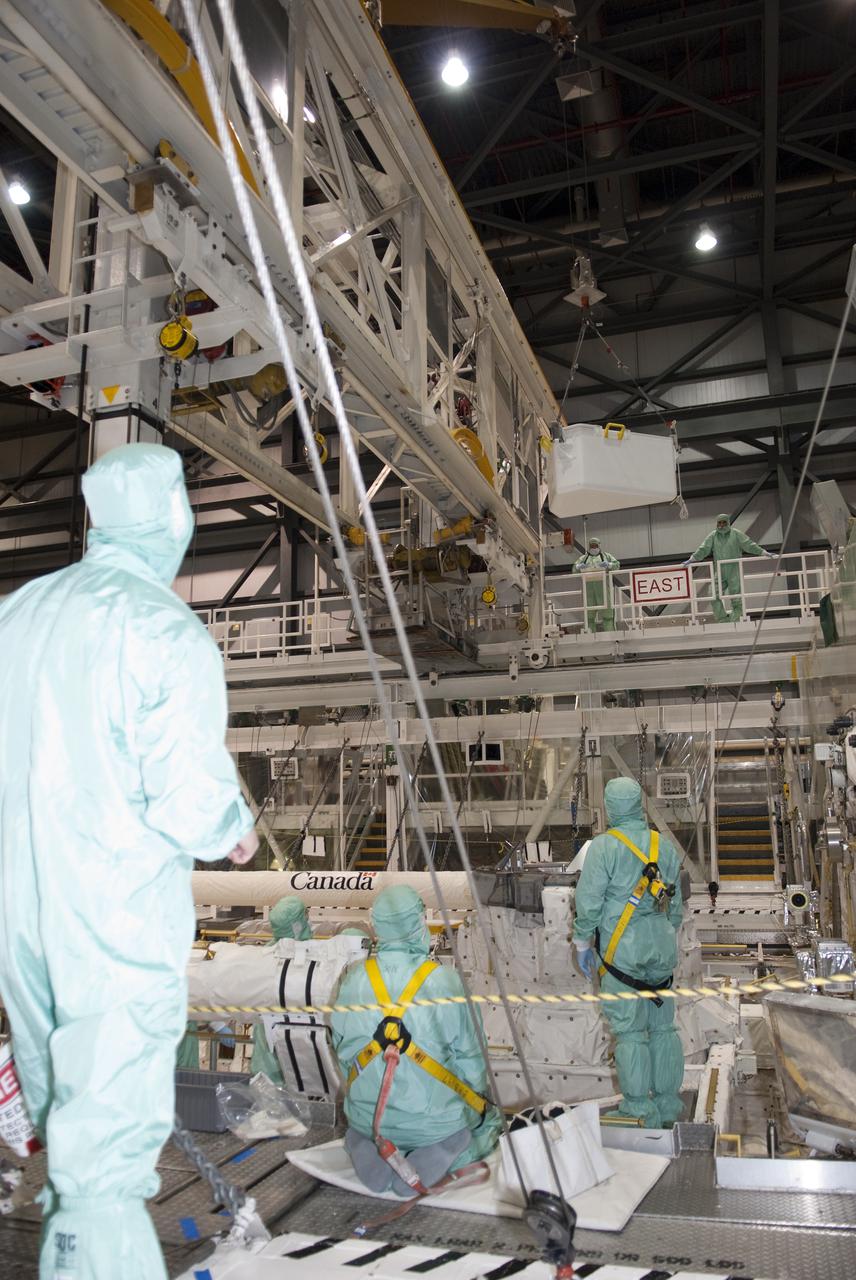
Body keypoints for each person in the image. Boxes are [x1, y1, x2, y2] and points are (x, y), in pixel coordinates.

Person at [0, 443, 257, 1280]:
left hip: (19, 901)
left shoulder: (21, 610)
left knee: (60, 1091)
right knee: (106, 1133)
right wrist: (232, 828)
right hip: (110, 902)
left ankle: (71, 1219)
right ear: (171, 516)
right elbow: (184, 792)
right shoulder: (162, 628)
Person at [331, 885, 501, 1197]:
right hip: (433, 1121)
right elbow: (473, 1060)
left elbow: (342, 1052)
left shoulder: (354, 978)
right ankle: (445, 1147)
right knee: (483, 1123)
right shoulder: (444, 981)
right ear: (417, 924)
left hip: (369, 1117)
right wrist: (478, 1102)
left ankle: (364, 1142)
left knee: (364, 1126)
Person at [572, 778, 684, 1129]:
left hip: (622, 955)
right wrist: (663, 934)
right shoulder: (662, 845)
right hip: (661, 949)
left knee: (631, 1033)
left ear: (609, 807)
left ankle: (639, 1108)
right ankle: (668, 1103)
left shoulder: (604, 848)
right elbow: (675, 904)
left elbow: (588, 900)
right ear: (640, 804)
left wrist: (582, 941)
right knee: (663, 1027)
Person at [251, 895, 313, 1083]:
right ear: (296, 925)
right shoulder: (309, 957)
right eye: (306, 915)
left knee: (267, 1107)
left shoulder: (264, 955)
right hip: (297, 1056)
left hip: (265, 1061)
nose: (309, 919)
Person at [684, 513, 774, 622]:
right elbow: (704, 548)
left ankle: (734, 619)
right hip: (719, 570)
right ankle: (722, 619)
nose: (721, 525)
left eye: (724, 522)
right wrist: (692, 559)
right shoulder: (713, 535)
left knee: (736, 598)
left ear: (728, 523)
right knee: (712, 594)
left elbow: (749, 544)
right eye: (719, 522)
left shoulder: (736, 534)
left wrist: (763, 552)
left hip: (734, 570)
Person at [574, 536, 620, 632]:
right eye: (592, 546)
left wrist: (609, 564)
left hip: (603, 589)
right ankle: (591, 635)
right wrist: (579, 567)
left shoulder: (606, 556)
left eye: (595, 546)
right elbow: (574, 569)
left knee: (608, 615)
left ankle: (610, 634)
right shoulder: (583, 558)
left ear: (599, 545)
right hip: (588, 591)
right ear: (589, 546)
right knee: (589, 616)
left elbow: (617, 565)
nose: (594, 548)